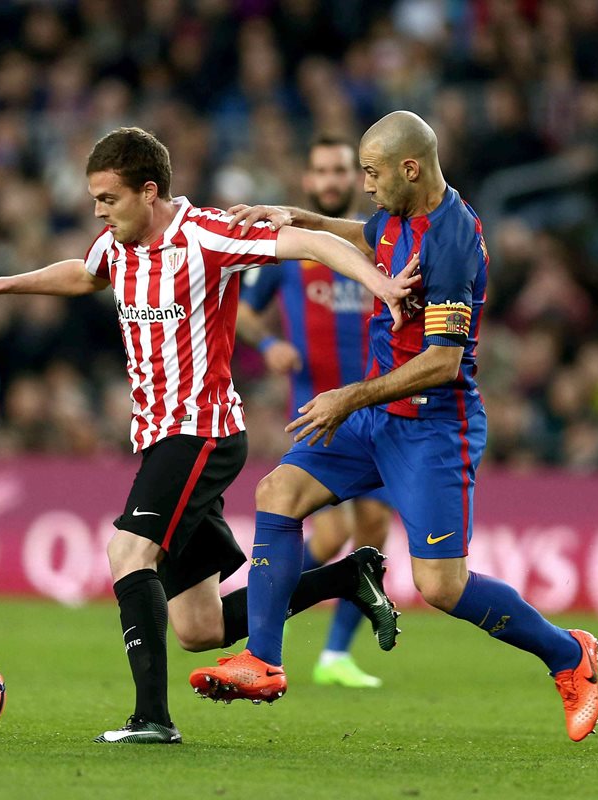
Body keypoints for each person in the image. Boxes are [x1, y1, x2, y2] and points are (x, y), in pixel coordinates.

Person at [0, 127, 411, 745]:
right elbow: (83, 275)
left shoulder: (207, 235)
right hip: (162, 437)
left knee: (126, 552)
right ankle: (347, 578)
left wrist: (379, 284)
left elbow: (314, 242)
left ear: (149, 191)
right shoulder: (117, 244)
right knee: (199, 628)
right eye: (96, 201)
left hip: (201, 432)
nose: (100, 212)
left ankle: (152, 720)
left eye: (108, 198)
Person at [189, 112, 598, 742]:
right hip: (374, 417)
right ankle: (263, 661)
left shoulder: (452, 240)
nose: (366, 184)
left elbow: (441, 364)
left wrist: (347, 397)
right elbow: (368, 235)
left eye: (373, 172)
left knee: (442, 586)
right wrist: (303, 220)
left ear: (410, 169)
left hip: (433, 428)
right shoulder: (403, 215)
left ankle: (568, 656)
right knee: (279, 493)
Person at [236, 135, 395, 689]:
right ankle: (251, 614)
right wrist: (268, 345)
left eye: (339, 170)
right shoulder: (291, 252)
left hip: (376, 410)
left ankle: (333, 654)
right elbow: (240, 315)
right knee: (325, 539)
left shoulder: (376, 244)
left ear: (355, 178)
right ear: (308, 181)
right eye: (321, 170)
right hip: (317, 416)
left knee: (374, 529)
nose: (330, 179)